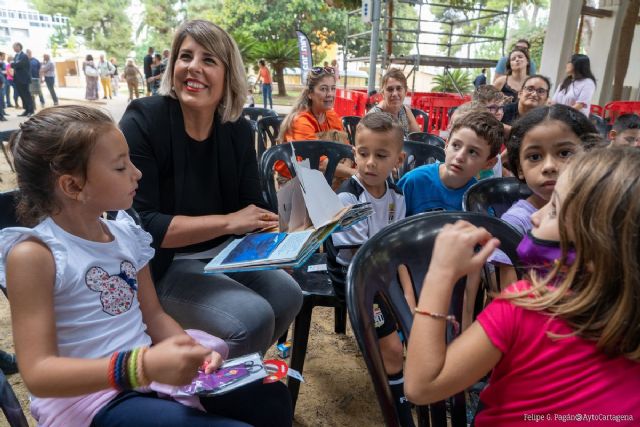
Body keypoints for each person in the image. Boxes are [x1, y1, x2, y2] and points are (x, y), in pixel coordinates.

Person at [1, 105, 293, 427]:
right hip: (89, 400)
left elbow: (152, 315)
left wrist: (189, 348)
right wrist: (143, 366)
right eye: (120, 167)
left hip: (146, 375)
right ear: (73, 186)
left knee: (272, 398)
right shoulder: (35, 255)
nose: (137, 173)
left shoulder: (127, 235)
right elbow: (39, 373)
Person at [405, 147, 640, 426]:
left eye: (553, 209)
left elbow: (421, 387)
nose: (535, 217)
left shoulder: (527, 305)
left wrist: (440, 273)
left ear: (596, 246)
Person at [120, 20, 302, 357]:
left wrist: (290, 238)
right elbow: (143, 226)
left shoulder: (236, 129)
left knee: (289, 295)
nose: (193, 67)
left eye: (208, 60)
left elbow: (253, 205)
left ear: (227, 74)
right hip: (162, 264)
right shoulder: (144, 120)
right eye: (185, 56)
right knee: (253, 316)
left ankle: (234, 374)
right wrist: (230, 222)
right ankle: (218, 387)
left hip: (226, 256)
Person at [327, 112, 415, 427]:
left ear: (398, 159)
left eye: (381, 155)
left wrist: (407, 292)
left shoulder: (397, 195)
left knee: (419, 313)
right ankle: (399, 409)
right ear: (354, 153)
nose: (370, 163)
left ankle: (401, 381)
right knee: (392, 346)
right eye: (363, 154)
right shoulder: (349, 196)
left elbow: (397, 248)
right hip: (355, 278)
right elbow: (358, 258)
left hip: (384, 273)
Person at [488, 104, 600, 287]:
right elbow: (507, 293)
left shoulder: (599, 212)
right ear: (519, 168)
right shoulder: (518, 222)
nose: (549, 166)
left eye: (564, 153)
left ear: (590, 158)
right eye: (534, 157)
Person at [397, 111, 503, 216]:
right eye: (456, 145)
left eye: (472, 152)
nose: (459, 157)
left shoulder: (479, 199)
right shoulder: (414, 181)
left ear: (489, 163)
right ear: (446, 145)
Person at [277, 66, 353, 180]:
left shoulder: (332, 116)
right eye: (323, 89)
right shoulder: (301, 121)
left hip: (326, 175)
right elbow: (320, 163)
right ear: (310, 94)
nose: (330, 94)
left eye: (333, 88)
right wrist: (356, 174)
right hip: (297, 181)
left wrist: (347, 169)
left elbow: (347, 150)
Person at [367, 68, 420, 137]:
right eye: (390, 89)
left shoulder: (405, 110)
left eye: (399, 88)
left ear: (405, 91)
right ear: (383, 93)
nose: (395, 93)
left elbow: (418, 137)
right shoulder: (374, 117)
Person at [11, 42, 34, 117]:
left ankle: (31, 110)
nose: (13, 48)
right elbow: (16, 65)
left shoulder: (24, 56)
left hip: (24, 79)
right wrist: (13, 64)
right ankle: (26, 110)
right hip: (17, 79)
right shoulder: (16, 56)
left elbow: (19, 65)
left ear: (19, 47)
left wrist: (12, 64)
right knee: (22, 95)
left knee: (27, 94)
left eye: (14, 47)